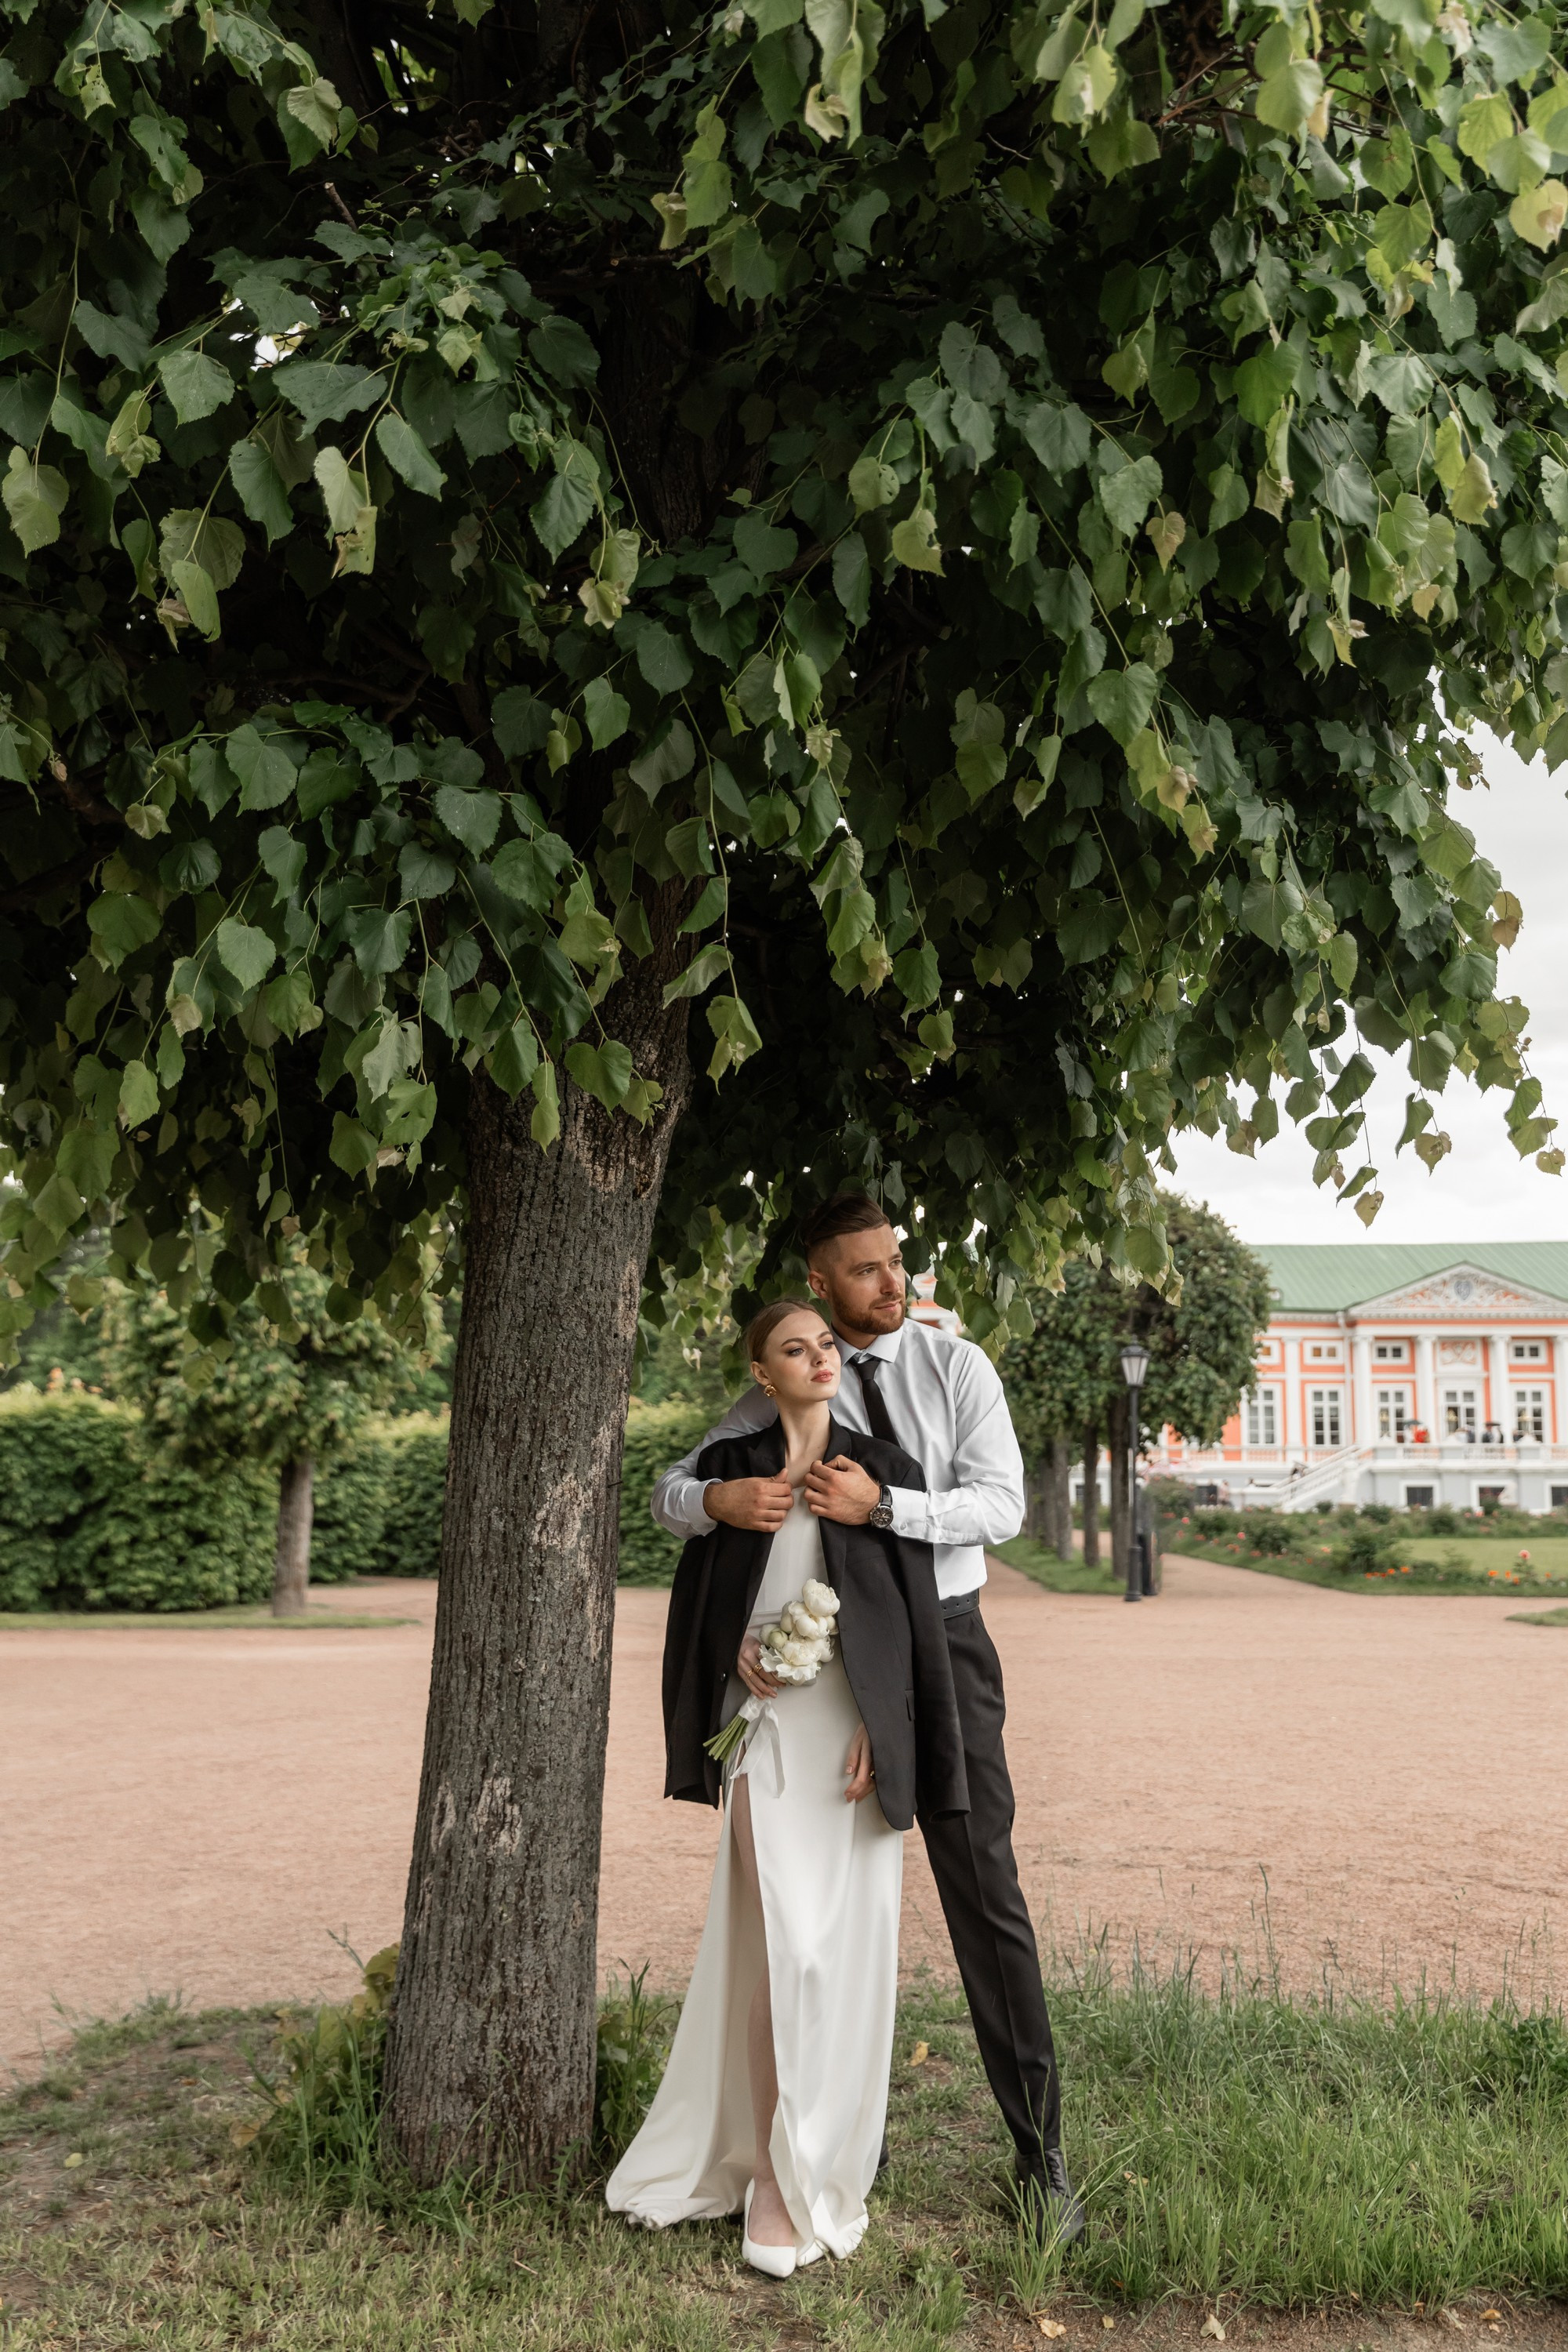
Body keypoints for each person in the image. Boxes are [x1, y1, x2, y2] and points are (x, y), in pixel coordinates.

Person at [652, 1193, 1083, 2240]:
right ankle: (840, 2138)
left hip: (946, 1645)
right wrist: (713, 1505)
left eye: (897, 1263)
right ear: (818, 1283)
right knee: (834, 1916)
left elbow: (1002, 1503)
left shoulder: (955, 1368)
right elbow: (675, 1487)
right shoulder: (781, 1386)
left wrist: (886, 1507)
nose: (894, 1284)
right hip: (839, 1677)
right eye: (865, 1271)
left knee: (985, 1890)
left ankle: (1041, 2154)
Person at [606, 1298, 967, 2272]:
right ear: (761, 1374)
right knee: (781, 1951)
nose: (819, 1358)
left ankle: (808, 2166)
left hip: (848, 1744)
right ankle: (766, 2170)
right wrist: (731, 1646)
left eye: (825, 1347)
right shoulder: (730, 1469)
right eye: (794, 1349)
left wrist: (884, 1732)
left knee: (838, 1958)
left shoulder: (879, 1472)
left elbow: (910, 1622)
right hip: (762, 1734)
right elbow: (699, 1599)